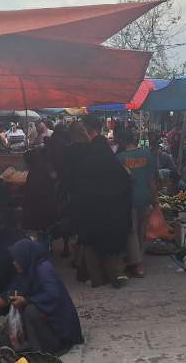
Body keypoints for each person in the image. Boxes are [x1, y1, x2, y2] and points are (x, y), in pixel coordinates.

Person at [0, 239, 83, 354]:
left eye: (17, 260)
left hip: (61, 329)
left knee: (30, 310)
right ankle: (37, 346)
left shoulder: (44, 269)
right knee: (27, 310)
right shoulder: (26, 273)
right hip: (48, 323)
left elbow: (52, 295)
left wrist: (26, 300)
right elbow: (6, 297)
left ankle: (51, 347)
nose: (14, 263)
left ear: (26, 256)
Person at [65, 117, 132, 288]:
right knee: (106, 245)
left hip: (91, 208)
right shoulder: (106, 155)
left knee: (91, 244)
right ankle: (112, 275)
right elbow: (124, 179)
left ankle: (98, 278)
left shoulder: (87, 154)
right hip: (111, 208)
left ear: (88, 130)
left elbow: (78, 182)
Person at [116, 128, 157, 278]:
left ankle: (136, 263)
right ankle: (139, 260)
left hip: (129, 200)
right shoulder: (147, 154)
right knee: (142, 230)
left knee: (131, 231)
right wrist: (156, 199)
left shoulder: (119, 158)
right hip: (145, 197)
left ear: (121, 141)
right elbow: (152, 180)